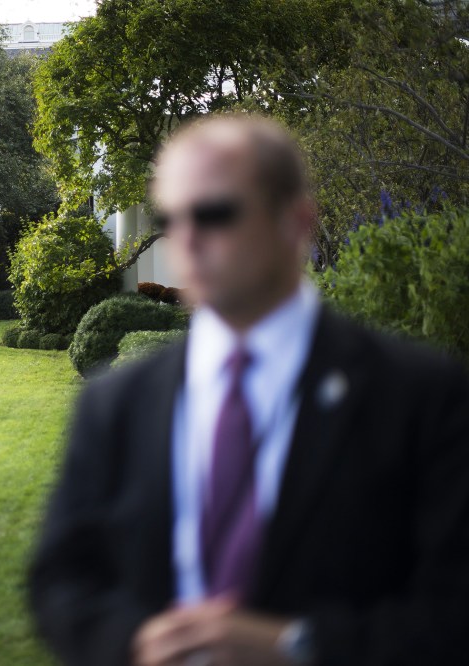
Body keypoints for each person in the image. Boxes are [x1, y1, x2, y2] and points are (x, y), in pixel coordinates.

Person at [28, 114, 469, 666]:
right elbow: (60, 580)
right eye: (171, 216)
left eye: (215, 212)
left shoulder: (420, 398)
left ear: (296, 221)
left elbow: (453, 615)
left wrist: (298, 646)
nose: (186, 236)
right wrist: (135, 643)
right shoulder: (115, 402)